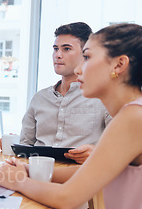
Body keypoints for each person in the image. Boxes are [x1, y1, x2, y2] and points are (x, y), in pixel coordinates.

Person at [0, 23, 142, 209]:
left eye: (87, 57)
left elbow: (68, 198)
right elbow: (86, 175)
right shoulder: (130, 115)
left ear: (119, 65)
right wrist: (22, 173)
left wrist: (18, 180)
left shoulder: (133, 119)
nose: (80, 69)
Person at [20, 22, 111, 164]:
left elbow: (119, 147)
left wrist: (97, 152)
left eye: (66, 49)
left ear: (86, 54)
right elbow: (24, 146)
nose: (58, 55)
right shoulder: (39, 98)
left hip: (80, 176)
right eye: (55, 49)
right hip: (36, 174)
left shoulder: (102, 97)